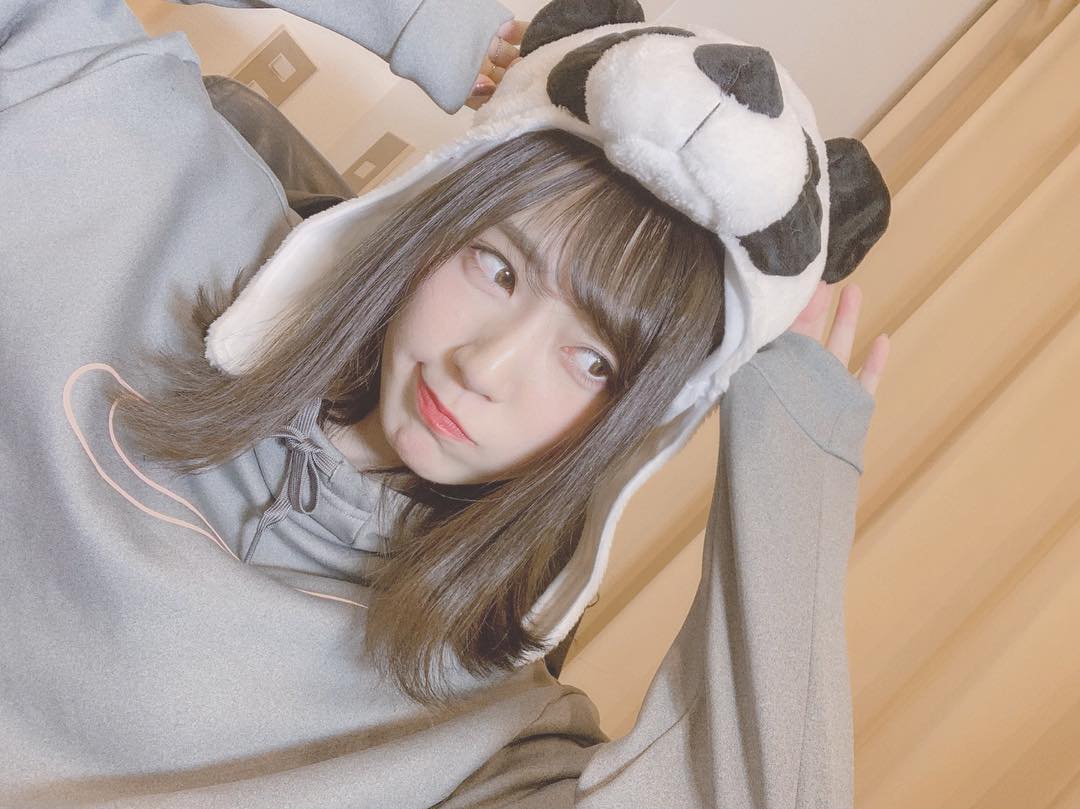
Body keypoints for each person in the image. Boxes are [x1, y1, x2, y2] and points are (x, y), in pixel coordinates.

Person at [0, 1, 890, 807]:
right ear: (435, 219)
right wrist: (427, 21)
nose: (485, 366)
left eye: (592, 362)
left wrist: (788, 448)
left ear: (634, 429)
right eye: (497, 269)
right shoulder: (152, 183)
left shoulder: (480, 734)